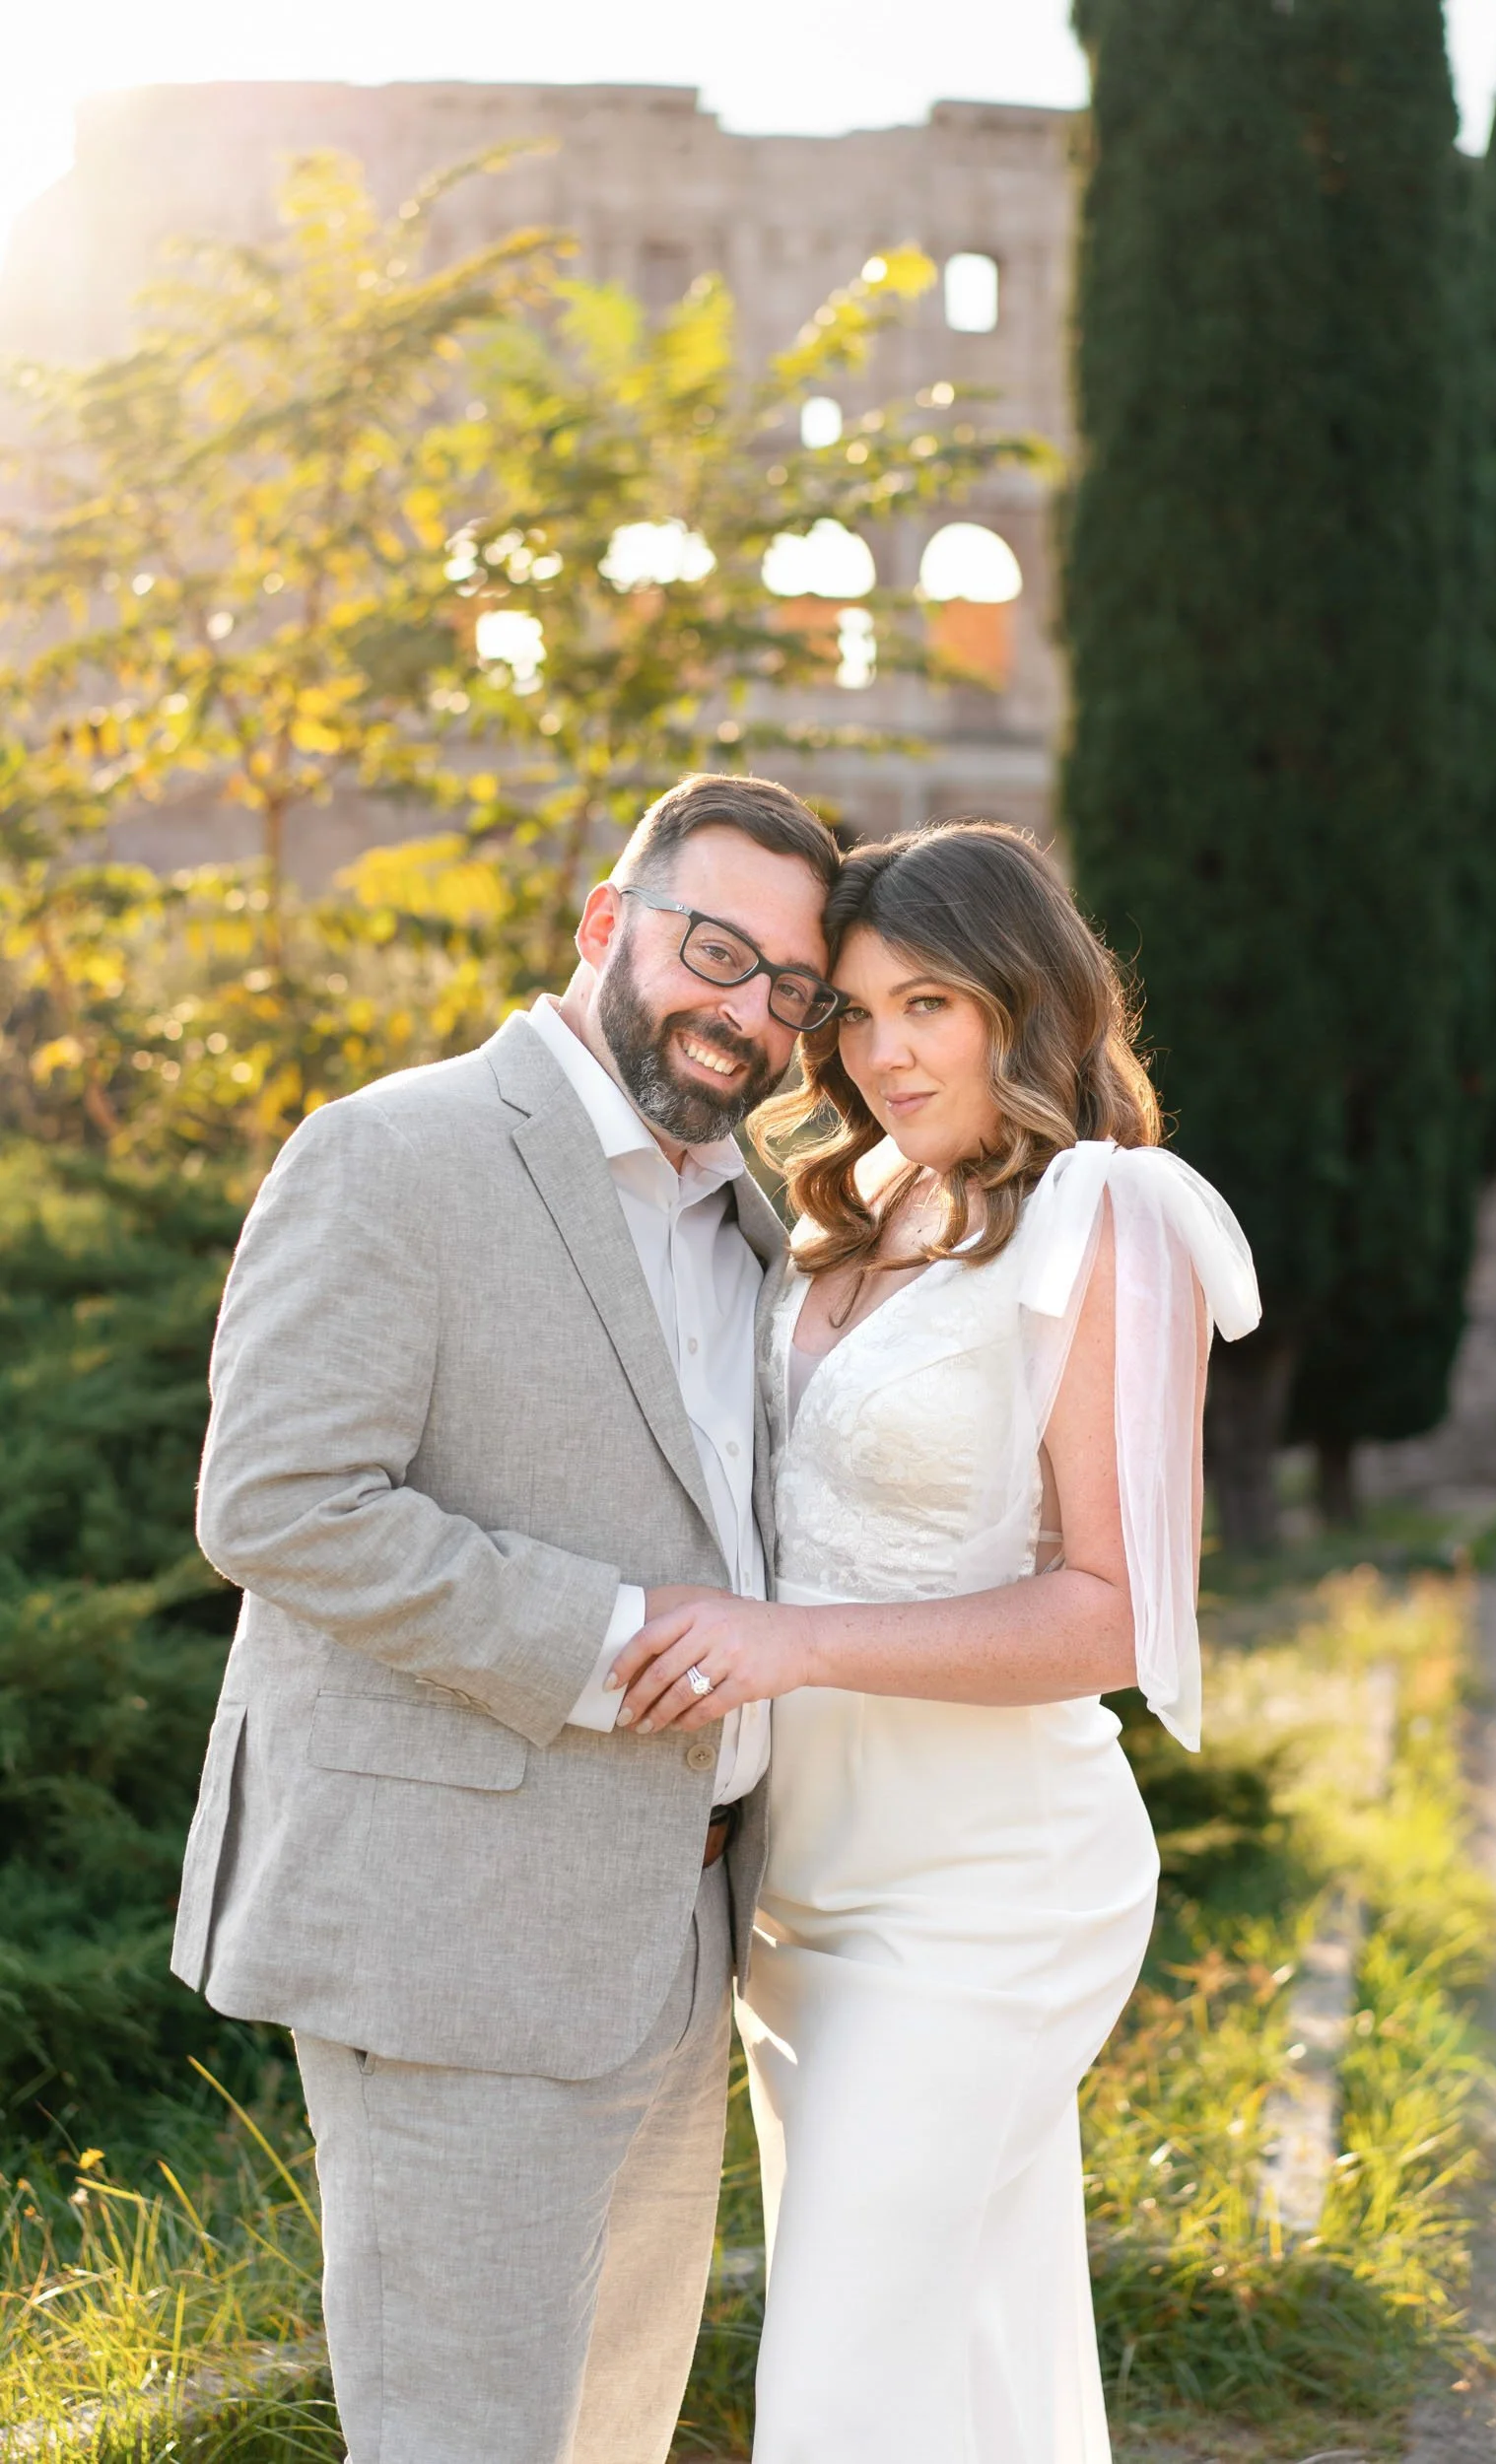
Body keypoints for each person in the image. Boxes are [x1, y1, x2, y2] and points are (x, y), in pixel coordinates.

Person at [170, 773, 844, 2464]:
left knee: (610, 2434)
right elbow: (278, 1502)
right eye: (716, 949)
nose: (746, 1012)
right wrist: (618, 1641)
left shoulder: (750, 1214)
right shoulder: (395, 1150)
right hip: (457, 1935)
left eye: (792, 989)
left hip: (680, 1937)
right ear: (607, 924)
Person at [612, 821, 1261, 2464]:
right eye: (851, 1012)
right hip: (803, 1886)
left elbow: (1112, 1610)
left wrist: (787, 1642)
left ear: (1020, 1005)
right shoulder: (857, 1199)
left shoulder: (1106, 1216)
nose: (882, 1053)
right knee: (959, 2347)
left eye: (932, 1006)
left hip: (987, 1887)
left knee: (839, 2379)